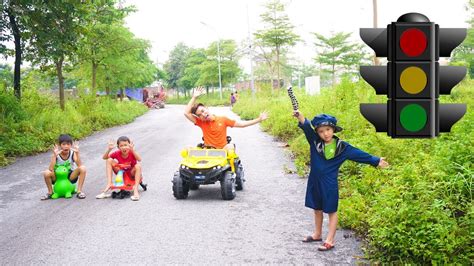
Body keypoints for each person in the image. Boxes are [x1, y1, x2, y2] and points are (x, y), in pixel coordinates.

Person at [293, 110, 389, 251]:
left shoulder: (342, 147)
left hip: (329, 183)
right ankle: (317, 234)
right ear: (317, 133)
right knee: (317, 208)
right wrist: (300, 116)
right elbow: (307, 127)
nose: (325, 134)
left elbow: (359, 154)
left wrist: (375, 161)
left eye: (328, 130)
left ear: (333, 129)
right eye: (321, 131)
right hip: (314, 181)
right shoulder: (315, 142)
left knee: (331, 210)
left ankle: (330, 240)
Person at [184, 87, 268, 149]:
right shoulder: (201, 122)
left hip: (222, 151)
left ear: (206, 108)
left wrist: (259, 119)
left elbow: (242, 124)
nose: (203, 114)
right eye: (200, 115)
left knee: (230, 146)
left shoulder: (223, 119)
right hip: (208, 152)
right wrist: (194, 97)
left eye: (203, 110)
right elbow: (186, 113)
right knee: (188, 148)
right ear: (200, 118)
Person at [41, 134, 87, 200]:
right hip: (58, 177)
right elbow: (50, 169)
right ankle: (50, 193)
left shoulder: (72, 153)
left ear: (71, 145)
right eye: (64, 144)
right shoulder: (56, 154)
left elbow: (79, 165)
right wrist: (54, 156)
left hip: (69, 177)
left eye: (68, 144)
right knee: (46, 172)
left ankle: (79, 192)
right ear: (60, 145)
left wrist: (77, 153)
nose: (66, 146)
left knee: (83, 168)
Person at [96, 136, 143, 201]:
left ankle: (135, 190)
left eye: (125, 145)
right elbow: (104, 158)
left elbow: (139, 159)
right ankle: (109, 183)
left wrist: (132, 150)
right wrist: (109, 149)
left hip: (132, 174)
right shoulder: (117, 153)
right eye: (121, 146)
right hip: (122, 173)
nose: (124, 147)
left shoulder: (131, 152)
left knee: (138, 165)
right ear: (118, 147)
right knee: (109, 160)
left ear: (129, 145)